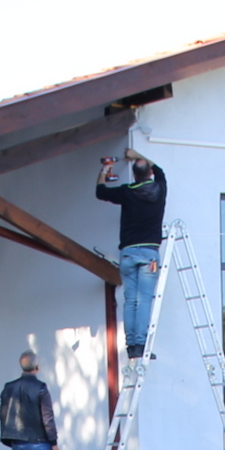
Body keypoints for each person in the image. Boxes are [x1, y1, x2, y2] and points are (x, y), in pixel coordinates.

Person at [96, 149, 167, 359]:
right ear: (149, 175)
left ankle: (131, 346)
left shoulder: (127, 191)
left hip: (128, 253)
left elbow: (100, 191)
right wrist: (137, 154)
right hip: (149, 255)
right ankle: (140, 345)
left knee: (130, 300)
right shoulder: (160, 189)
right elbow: (160, 170)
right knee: (144, 300)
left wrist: (105, 170)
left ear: (134, 176)